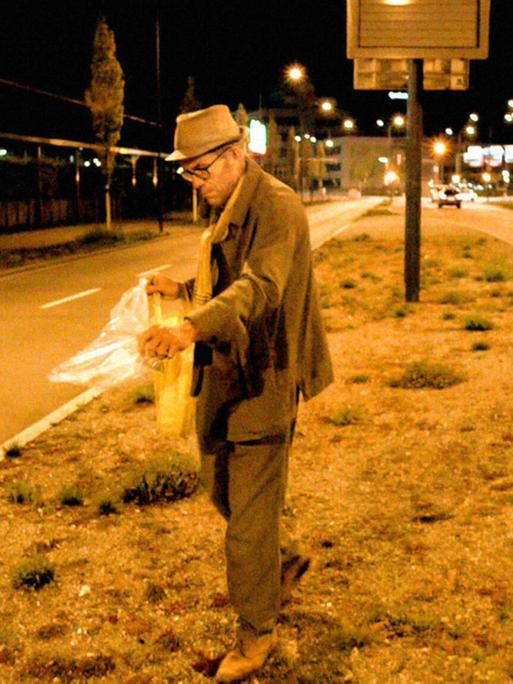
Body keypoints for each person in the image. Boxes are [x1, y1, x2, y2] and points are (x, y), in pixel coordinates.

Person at [138, 104, 333, 682]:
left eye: (200, 171)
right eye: (187, 175)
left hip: (266, 377)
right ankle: (283, 561)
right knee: (221, 490)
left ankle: (256, 636)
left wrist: (191, 327)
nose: (195, 185)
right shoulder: (228, 206)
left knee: (246, 522)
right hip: (225, 371)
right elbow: (227, 284)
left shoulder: (277, 207)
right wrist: (187, 289)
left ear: (234, 155)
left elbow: (260, 288)